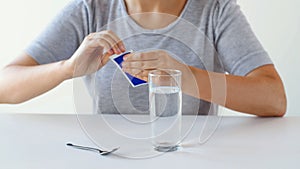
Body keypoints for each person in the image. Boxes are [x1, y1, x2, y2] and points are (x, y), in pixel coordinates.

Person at [0, 0, 286, 116]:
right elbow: (4, 85)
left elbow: (274, 99)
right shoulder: (91, 8)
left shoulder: (216, 10)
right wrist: (66, 68)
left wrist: (187, 78)